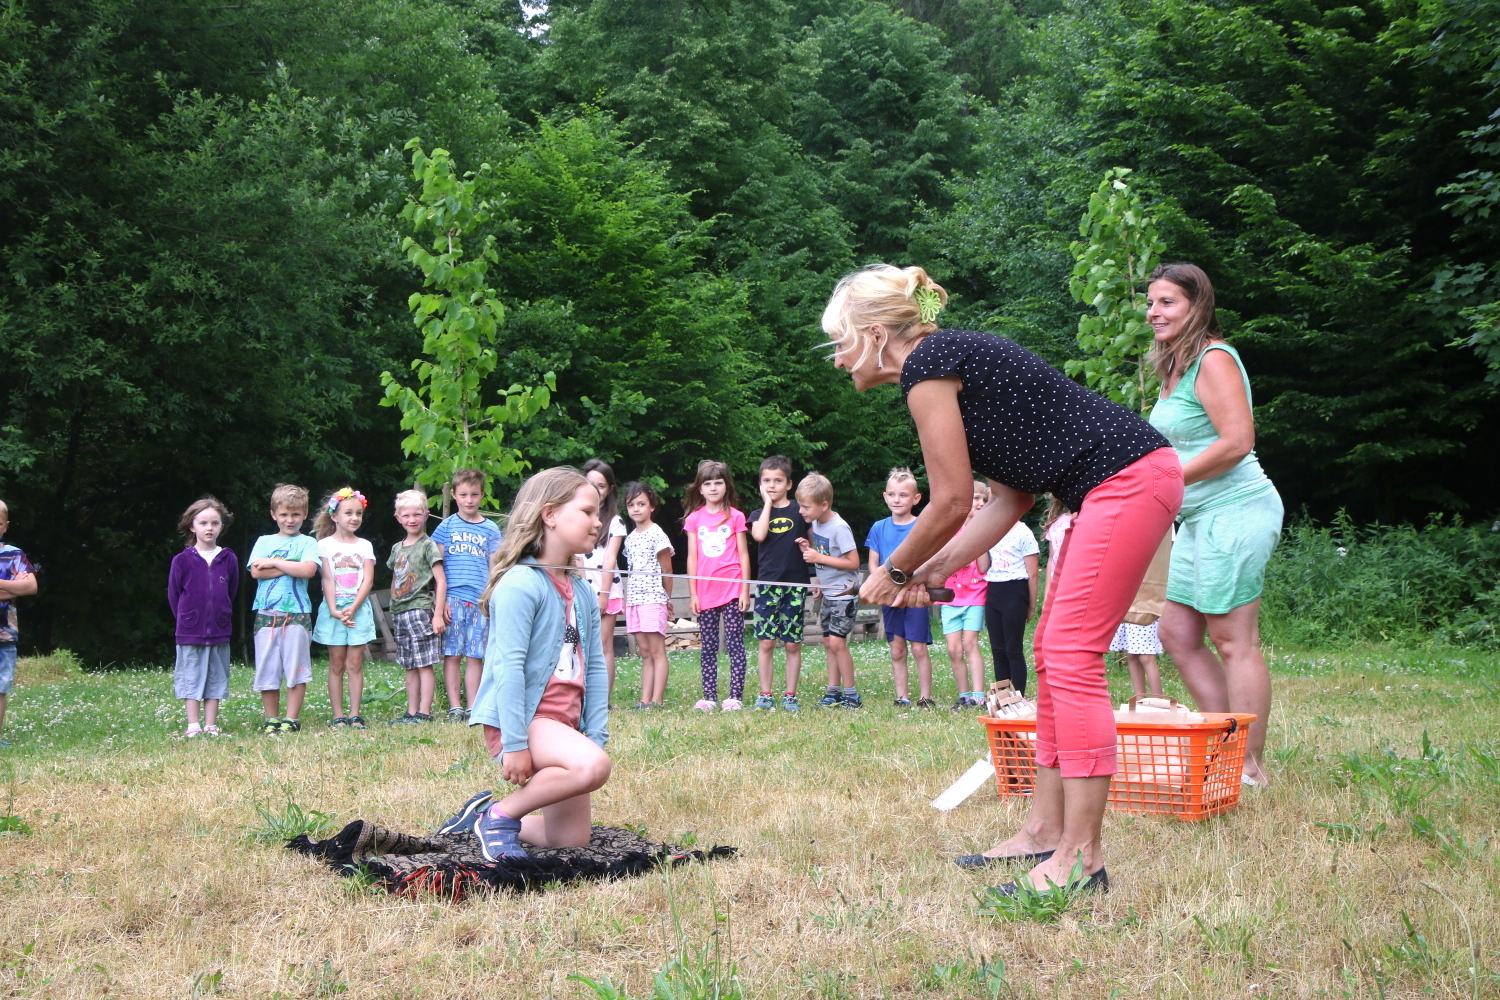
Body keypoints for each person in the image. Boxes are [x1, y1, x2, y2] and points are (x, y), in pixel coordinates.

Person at [825, 262, 1181, 893]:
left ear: (876, 334)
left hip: (1126, 480)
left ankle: (1082, 858)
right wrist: (932, 569)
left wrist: (896, 570)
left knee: (1071, 654)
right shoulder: (948, 364)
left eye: (839, 341)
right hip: (1112, 485)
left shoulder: (928, 365)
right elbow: (1010, 499)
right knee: (1050, 650)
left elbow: (950, 500)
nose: (836, 359)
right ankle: (1044, 831)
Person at [1146, 263, 1283, 786]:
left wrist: (1168, 481)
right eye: (1151, 303)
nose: (1154, 312)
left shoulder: (1214, 358)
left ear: (1197, 305)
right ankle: (1227, 745)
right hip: (1198, 515)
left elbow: (1238, 441)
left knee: (1233, 639)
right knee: (1176, 633)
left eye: (1167, 302)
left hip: (1238, 508)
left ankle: (1249, 766)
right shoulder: (1175, 367)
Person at [469, 467, 612, 859]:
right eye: (587, 512)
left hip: (563, 725)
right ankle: (499, 815)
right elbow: (508, 669)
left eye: (598, 513)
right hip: (523, 721)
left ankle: (476, 818)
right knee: (593, 767)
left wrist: (594, 735)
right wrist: (515, 744)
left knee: (568, 840)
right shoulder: (520, 584)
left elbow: (594, 667)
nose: (597, 522)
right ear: (550, 515)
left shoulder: (581, 590)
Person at [247, 484, 321, 734]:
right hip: (266, 615)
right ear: (273, 515)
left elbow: (308, 570)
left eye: (296, 514)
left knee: (296, 667)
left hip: (297, 615)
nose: (290, 520)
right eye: (284, 514)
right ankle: (272, 719)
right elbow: (256, 572)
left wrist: (273, 562)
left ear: (305, 514)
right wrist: (291, 565)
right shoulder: (264, 541)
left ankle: (291, 719)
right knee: (267, 668)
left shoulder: (308, 542)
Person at [432, 468, 503, 722]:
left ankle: (474, 706)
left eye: (474, 494)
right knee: (452, 655)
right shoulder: (446, 526)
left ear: (482, 495)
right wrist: (440, 603)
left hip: (480, 600)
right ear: (453, 495)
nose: (469, 500)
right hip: (452, 600)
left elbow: (494, 567)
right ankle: (455, 707)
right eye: (463, 495)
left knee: (475, 655)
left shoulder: (491, 529)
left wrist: (491, 597)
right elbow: (436, 567)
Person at [167, 496, 240, 738]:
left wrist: (221, 614)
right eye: (203, 523)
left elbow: (231, 591)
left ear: (221, 526)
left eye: (215, 523)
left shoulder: (228, 558)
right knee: (191, 676)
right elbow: (174, 595)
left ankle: (211, 724)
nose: (209, 528)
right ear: (192, 526)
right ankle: (193, 725)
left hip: (219, 629)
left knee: (215, 676)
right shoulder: (181, 560)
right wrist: (186, 619)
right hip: (190, 631)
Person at [683, 460, 750, 712]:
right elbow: (692, 558)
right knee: (708, 647)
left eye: (718, 483)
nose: (713, 488)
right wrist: (693, 593)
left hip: (732, 589)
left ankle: (735, 697)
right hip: (705, 592)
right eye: (707, 483)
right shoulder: (694, 519)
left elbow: (743, 555)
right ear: (700, 488)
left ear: (726, 485)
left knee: (735, 645)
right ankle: (709, 697)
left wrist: (744, 589)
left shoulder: (736, 516)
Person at [866, 468, 935, 708]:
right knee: (897, 649)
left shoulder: (922, 526)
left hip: (915, 596)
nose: (897, 500)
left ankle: (926, 697)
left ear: (916, 499)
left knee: (918, 648)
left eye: (903, 495)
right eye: (892, 494)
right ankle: (902, 697)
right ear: (885, 497)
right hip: (890, 597)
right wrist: (882, 584)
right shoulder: (879, 527)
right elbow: (874, 564)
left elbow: (928, 561)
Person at [795, 472, 863, 710]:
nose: (801, 511)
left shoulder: (839, 527)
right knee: (829, 642)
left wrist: (818, 557)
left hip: (845, 594)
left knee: (837, 643)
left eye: (806, 507)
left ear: (823, 505)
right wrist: (818, 577)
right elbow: (824, 555)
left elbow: (853, 563)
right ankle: (833, 693)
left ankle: (852, 696)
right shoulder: (816, 523)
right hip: (829, 593)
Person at [750, 456, 810, 711]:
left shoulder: (801, 511)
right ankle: (765, 695)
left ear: (789, 484)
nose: (772, 485)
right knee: (766, 642)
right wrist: (767, 504)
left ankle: (790, 696)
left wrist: (816, 576)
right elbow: (759, 535)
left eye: (778, 480)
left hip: (796, 585)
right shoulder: (757, 514)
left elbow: (813, 546)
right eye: (766, 481)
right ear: (760, 484)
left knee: (792, 643)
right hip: (767, 585)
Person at [313, 487, 376, 729]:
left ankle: (355, 714)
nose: (354, 518)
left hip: (358, 609)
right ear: (334, 516)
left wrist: (354, 607)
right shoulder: (324, 545)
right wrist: (334, 610)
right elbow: (327, 579)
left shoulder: (365, 545)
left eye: (358, 513)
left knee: (355, 663)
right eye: (348, 513)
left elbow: (367, 580)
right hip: (335, 610)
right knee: (337, 663)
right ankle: (338, 715)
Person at [387, 490, 447, 723]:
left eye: (417, 515)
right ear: (398, 518)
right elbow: (395, 577)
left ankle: (424, 712)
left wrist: (438, 614)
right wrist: (393, 601)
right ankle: (411, 711)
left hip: (420, 610)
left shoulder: (428, 545)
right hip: (400, 612)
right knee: (409, 665)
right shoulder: (397, 548)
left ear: (426, 515)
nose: (412, 520)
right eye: (406, 515)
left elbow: (440, 580)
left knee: (424, 664)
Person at [938, 481, 992, 711]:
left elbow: (984, 567)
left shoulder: (985, 530)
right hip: (951, 598)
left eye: (984, 500)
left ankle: (978, 697)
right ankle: (964, 694)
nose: (980, 503)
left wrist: (978, 537)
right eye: (975, 498)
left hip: (975, 596)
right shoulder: (950, 530)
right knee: (953, 649)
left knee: (970, 644)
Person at [622, 482, 674, 710]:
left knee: (656, 650)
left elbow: (667, 570)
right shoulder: (630, 538)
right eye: (631, 504)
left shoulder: (657, 534)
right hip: (634, 599)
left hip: (653, 598)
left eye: (641, 504)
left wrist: (667, 599)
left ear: (651, 506)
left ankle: (657, 700)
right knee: (644, 652)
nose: (636, 509)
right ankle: (644, 700)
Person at [581, 459, 628, 695]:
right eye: (590, 483)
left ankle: (603, 698)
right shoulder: (577, 517)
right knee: (581, 645)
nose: (595, 490)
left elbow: (610, 559)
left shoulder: (615, 522)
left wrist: (603, 595)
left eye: (600, 485)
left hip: (606, 590)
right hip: (581, 588)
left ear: (609, 490)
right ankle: (582, 694)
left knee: (603, 644)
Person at [984, 514, 1039, 696]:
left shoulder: (1024, 533)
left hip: (1015, 590)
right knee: (998, 650)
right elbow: (983, 566)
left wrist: (1031, 605)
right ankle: (1002, 697)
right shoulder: (992, 530)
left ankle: (1018, 697)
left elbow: (1033, 574)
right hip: (994, 589)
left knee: (1013, 649)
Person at [0, 501, 38, 747]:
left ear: (5, 526)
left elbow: (30, 587)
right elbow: (20, 587)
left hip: (4, 633)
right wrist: (12, 588)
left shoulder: (14, 554)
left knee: (1, 686)